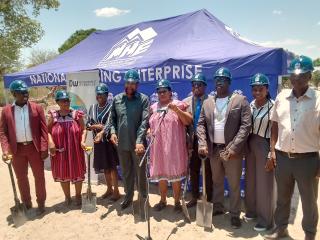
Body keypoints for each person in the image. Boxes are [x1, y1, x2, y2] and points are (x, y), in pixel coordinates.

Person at [265, 55, 320, 240]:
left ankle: (309, 235)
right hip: (282, 158)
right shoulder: (281, 97)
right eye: (293, 76)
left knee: (309, 202)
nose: (296, 80)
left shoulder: (318, 99)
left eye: (302, 76)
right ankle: (281, 229)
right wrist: (272, 151)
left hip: (308, 160)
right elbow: (274, 125)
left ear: (309, 76)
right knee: (282, 199)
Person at [197, 67, 251, 229]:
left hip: (231, 151)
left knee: (234, 184)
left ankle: (235, 214)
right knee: (217, 181)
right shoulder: (207, 102)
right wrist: (202, 143)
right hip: (214, 150)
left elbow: (246, 126)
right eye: (217, 80)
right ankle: (218, 207)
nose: (219, 83)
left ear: (229, 82)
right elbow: (200, 124)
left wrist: (234, 148)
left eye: (223, 80)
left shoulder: (240, 100)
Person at [0, 80, 48, 214]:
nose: (25, 94)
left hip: (35, 148)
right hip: (17, 150)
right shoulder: (6, 111)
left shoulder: (36, 108)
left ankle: (41, 203)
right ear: (14, 94)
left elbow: (44, 130)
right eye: (21, 92)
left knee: (39, 176)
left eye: (26, 91)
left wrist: (44, 147)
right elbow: (3, 132)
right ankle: (27, 202)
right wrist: (5, 150)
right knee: (21, 178)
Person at [108, 69, 149, 210]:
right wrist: (112, 132)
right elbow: (112, 120)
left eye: (133, 83)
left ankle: (143, 198)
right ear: (124, 83)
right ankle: (128, 197)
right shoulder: (117, 99)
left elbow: (144, 122)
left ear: (137, 85)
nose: (130, 86)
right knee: (126, 173)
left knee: (140, 173)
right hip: (122, 144)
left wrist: (139, 141)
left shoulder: (143, 99)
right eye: (128, 83)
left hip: (137, 145)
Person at [149, 79, 192, 212]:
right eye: (159, 91)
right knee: (161, 175)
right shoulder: (153, 107)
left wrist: (177, 111)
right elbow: (149, 125)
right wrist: (149, 131)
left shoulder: (179, 104)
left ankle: (177, 202)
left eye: (164, 91)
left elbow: (188, 121)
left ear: (170, 92)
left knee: (175, 176)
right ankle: (162, 200)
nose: (161, 94)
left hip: (174, 148)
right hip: (158, 148)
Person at [244, 73, 275, 232]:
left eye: (260, 89)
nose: (257, 92)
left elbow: (276, 132)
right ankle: (251, 211)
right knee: (250, 181)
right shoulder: (251, 105)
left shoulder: (273, 106)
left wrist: (272, 152)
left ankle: (265, 220)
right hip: (250, 144)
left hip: (265, 144)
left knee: (264, 184)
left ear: (267, 89)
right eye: (254, 89)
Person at [47, 90, 86, 206]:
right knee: (62, 173)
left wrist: (83, 141)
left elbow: (84, 129)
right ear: (58, 102)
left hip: (75, 150)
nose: (66, 103)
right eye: (63, 101)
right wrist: (51, 143)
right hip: (60, 150)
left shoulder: (76, 114)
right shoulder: (53, 116)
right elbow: (47, 131)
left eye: (67, 100)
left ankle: (78, 196)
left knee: (77, 171)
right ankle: (67, 197)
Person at [183, 73, 213, 208]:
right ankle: (194, 197)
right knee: (193, 170)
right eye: (194, 84)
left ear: (205, 86)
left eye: (199, 85)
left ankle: (209, 198)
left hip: (207, 141)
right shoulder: (186, 102)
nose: (196, 87)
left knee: (208, 170)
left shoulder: (211, 101)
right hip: (192, 141)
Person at [87, 83, 120, 201]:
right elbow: (87, 124)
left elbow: (110, 124)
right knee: (105, 168)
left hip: (109, 142)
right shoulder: (92, 108)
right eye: (98, 94)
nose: (99, 96)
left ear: (107, 95)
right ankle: (109, 189)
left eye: (102, 94)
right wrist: (98, 126)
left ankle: (116, 191)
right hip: (98, 142)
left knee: (112, 167)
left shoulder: (111, 107)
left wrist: (98, 127)